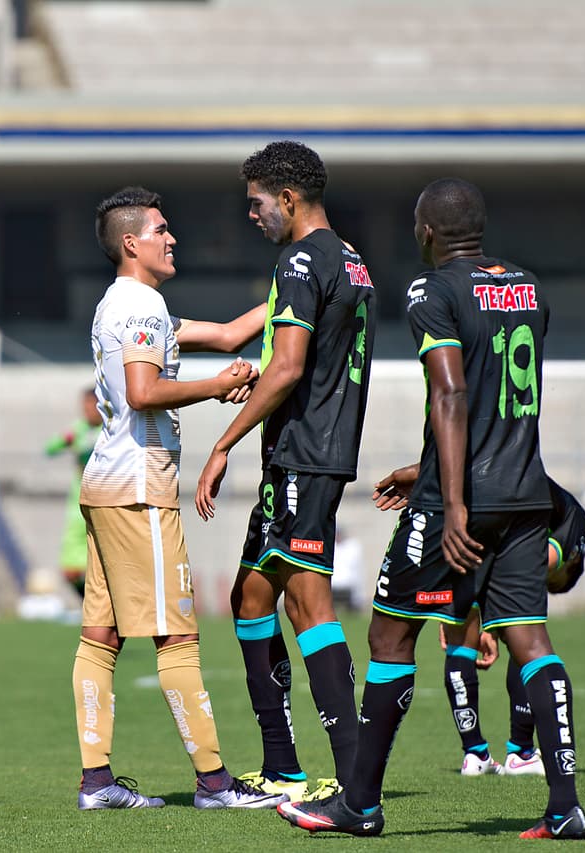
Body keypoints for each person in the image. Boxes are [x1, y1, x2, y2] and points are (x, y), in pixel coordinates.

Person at [278, 178, 585, 840]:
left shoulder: (432, 291)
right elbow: (497, 401)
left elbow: (452, 395)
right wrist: (427, 466)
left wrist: (449, 502)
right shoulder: (528, 287)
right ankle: (565, 805)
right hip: (526, 494)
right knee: (530, 640)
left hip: (461, 502)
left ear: (427, 232)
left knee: (390, 636)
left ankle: (358, 805)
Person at [72, 185, 284, 812]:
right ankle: (215, 784)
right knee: (178, 638)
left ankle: (96, 783)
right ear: (132, 243)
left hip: (108, 485)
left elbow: (225, 335)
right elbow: (142, 391)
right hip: (139, 491)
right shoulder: (138, 307)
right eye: (161, 229)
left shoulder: (136, 305)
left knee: (100, 638)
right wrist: (216, 387)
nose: (172, 238)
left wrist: (298, 285)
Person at [194, 140, 376, 802]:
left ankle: (356, 779)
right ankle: (284, 767)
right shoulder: (353, 261)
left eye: (257, 203)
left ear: (288, 199)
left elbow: (290, 365)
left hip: (305, 451)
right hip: (303, 454)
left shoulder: (301, 258)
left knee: (308, 602)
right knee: (251, 594)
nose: (253, 215)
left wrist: (223, 444)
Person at [374, 466, 585, 776]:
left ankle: (475, 754)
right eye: (552, 584)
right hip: (495, 506)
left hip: (475, 510)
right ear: (573, 564)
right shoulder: (576, 530)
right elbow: (525, 580)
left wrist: (463, 607)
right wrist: (492, 619)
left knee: (464, 633)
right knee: (527, 632)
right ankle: (521, 752)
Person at [45, 388, 104, 597]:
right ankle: (89, 607)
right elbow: (49, 448)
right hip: (77, 503)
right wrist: (66, 439)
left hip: (104, 501)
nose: (88, 410)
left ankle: (104, 613)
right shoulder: (78, 429)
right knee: (70, 571)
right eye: (85, 406)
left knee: (105, 567)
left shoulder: (110, 430)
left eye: (92, 405)